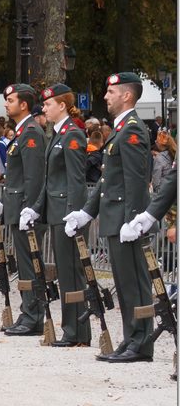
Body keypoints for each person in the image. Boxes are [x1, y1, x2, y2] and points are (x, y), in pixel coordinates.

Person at [70, 72, 155, 363]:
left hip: (125, 220)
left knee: (134, 283)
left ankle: (141, 342)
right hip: (115, 218)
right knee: (124, 282)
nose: (105, 96)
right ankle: (132, 337)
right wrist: (86, 212)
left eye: (111, 91)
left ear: (127, 96)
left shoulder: (132, 130)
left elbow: (135, 180)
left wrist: (134, 220)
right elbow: (108, 182)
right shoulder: (121, 130)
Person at [22, 84, 92, 348]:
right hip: (56, 213)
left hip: (66, 215)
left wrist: (74, 213)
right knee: (65, 272)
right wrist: (36, 207)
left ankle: (77, 331)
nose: (45, 109)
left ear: (62, 105)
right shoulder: (58, 134)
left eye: (49, 104)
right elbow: (51, 181)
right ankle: (72, 329)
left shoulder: (73, 134)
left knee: (72, 273)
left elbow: (76, 179)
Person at [0, 84, 47, 336]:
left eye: (10, 100)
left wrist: (30, 209)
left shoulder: (31, 132)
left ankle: (33, 315)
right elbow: (17, 177)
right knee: (24, 265)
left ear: (23, 104)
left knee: (29, 265)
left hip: (26, 212)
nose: (6, 104)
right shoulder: (22, 132)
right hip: (17, 208)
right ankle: (29, 312)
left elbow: (34, 177)